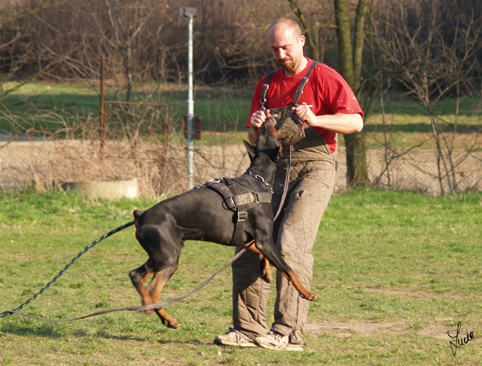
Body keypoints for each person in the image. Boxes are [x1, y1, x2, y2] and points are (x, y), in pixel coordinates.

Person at [214, 17, 364, 351]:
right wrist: (255, 127)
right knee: (250, 242)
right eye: (274, 49)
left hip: (315, 168)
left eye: (285, 46)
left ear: (301, 41)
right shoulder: (265, 86)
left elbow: (355, 122)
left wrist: (316, 119)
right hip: (275, 172)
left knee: (291, 244)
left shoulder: (324, 76)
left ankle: (287, 332)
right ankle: (248, 329)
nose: (280, 54)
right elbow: (256, 140)